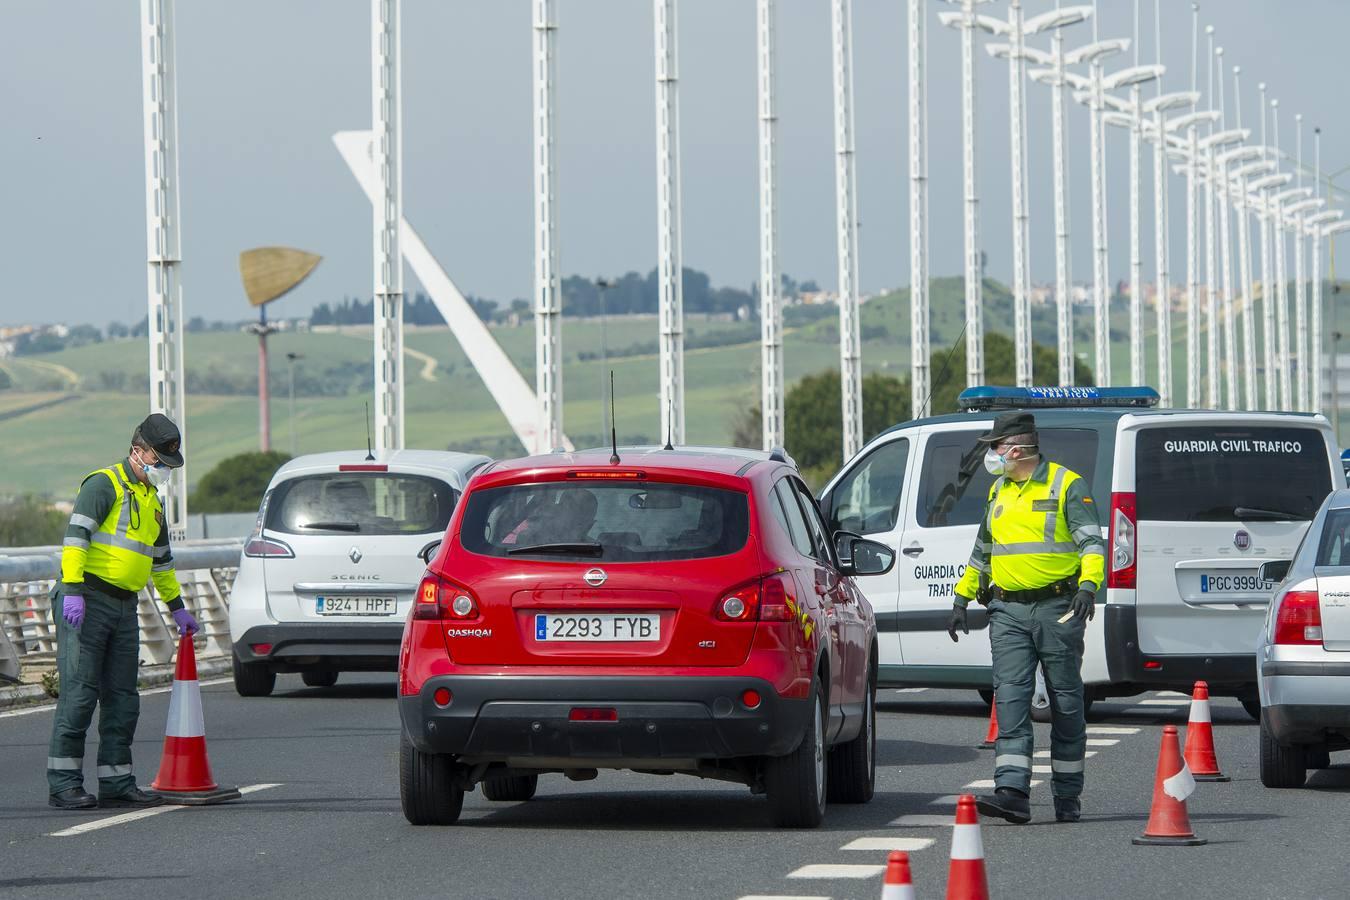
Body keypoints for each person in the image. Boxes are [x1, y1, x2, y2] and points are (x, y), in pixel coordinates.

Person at [947, 411, 1104, 825]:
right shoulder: (998, 489)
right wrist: (961, 598)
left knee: (1066, 702)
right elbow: (983, 549)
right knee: (1012, 699)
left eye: (995, 448)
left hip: (1058, 609)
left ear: (1014, 449)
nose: (991, 455)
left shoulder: (1067, 485)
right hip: (1008, 611)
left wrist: (1089, 586)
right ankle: (1012, 792)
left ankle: (1067, 795)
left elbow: (1092, 543)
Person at [47, 413, 199, 810]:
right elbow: (76, 539)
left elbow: (161, 563)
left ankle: (116, 781)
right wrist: (74, 591)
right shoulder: (103, 485)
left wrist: (177, 608)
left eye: (168, 465)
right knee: (80, 695)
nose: (163, 470)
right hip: (87, 600)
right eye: (159, 462)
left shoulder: (154, 504)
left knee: (123, 698)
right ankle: (63, 783)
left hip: (124, 605)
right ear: (137, 451)